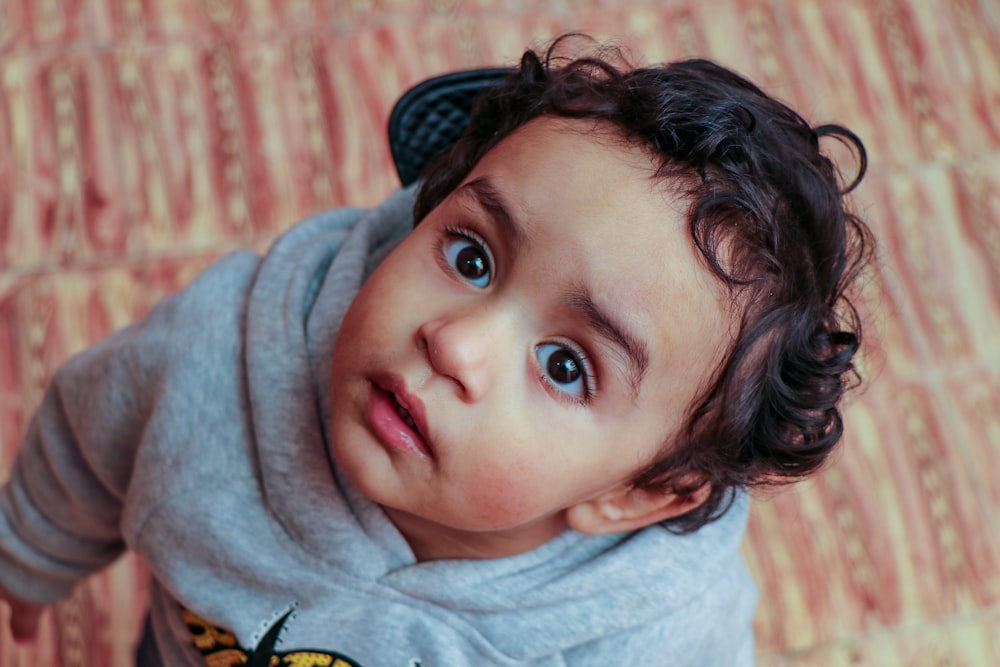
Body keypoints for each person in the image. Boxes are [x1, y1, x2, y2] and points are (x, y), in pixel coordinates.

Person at [0, 35, 873, 666]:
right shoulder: (211, 360)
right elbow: (87, 442)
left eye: (565, 365)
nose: (454, 343)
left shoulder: (650, 625)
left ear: (638, 490)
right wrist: (29, 556)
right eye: (471, 256)